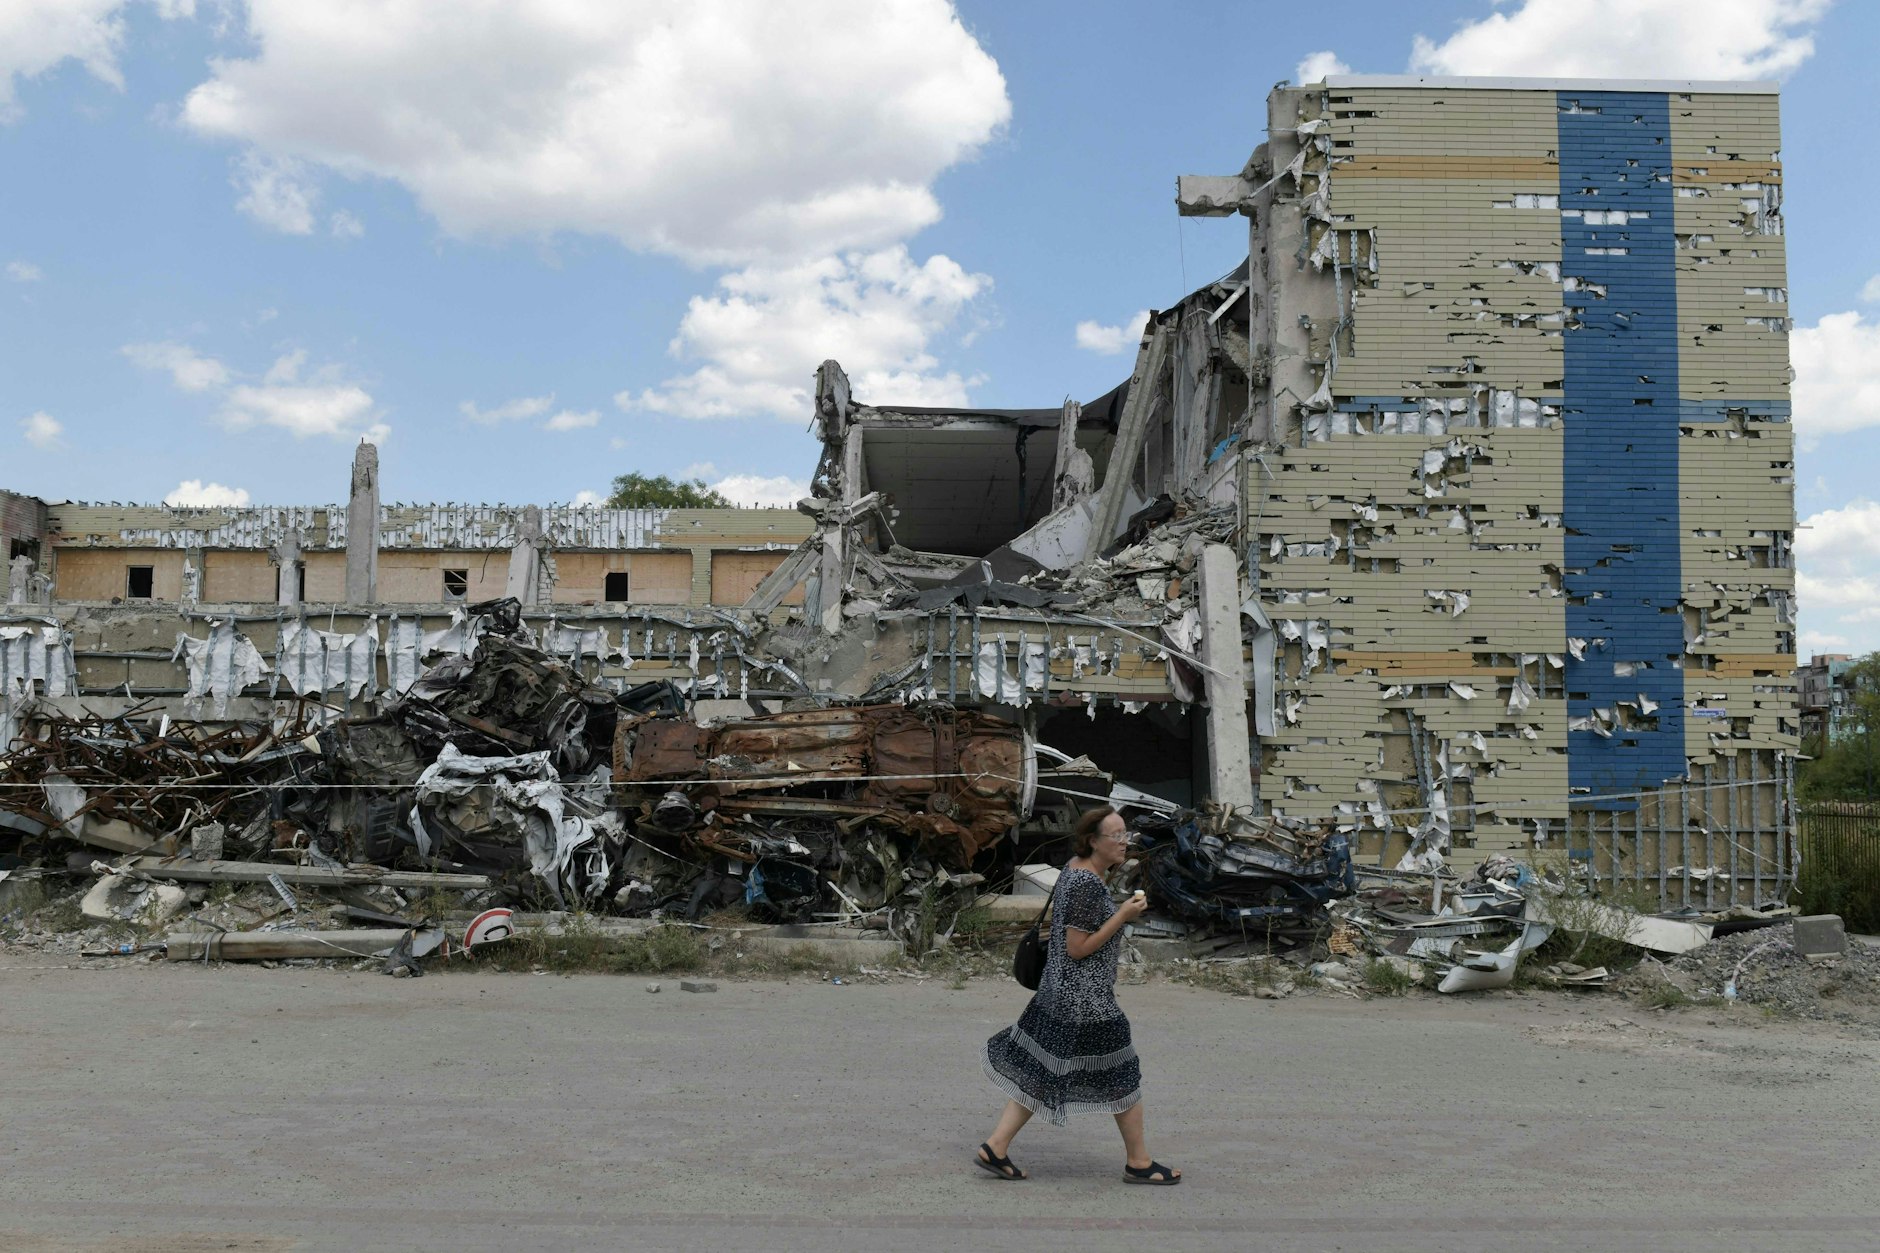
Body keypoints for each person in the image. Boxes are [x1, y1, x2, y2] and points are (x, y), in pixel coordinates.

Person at [975, 806, 1181, 1185]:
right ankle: (1139, 1162)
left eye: (1125, 833)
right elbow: (1078, 947)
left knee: (1040, 1071)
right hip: (1086, 1002)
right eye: (1116, 836)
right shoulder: (1086, 884)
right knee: (1123, 1075)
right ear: (1093, 841)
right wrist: (1122, 915)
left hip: (1058, 993)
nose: (1124, 841)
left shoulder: (1076, 869)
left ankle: (996, 1146)